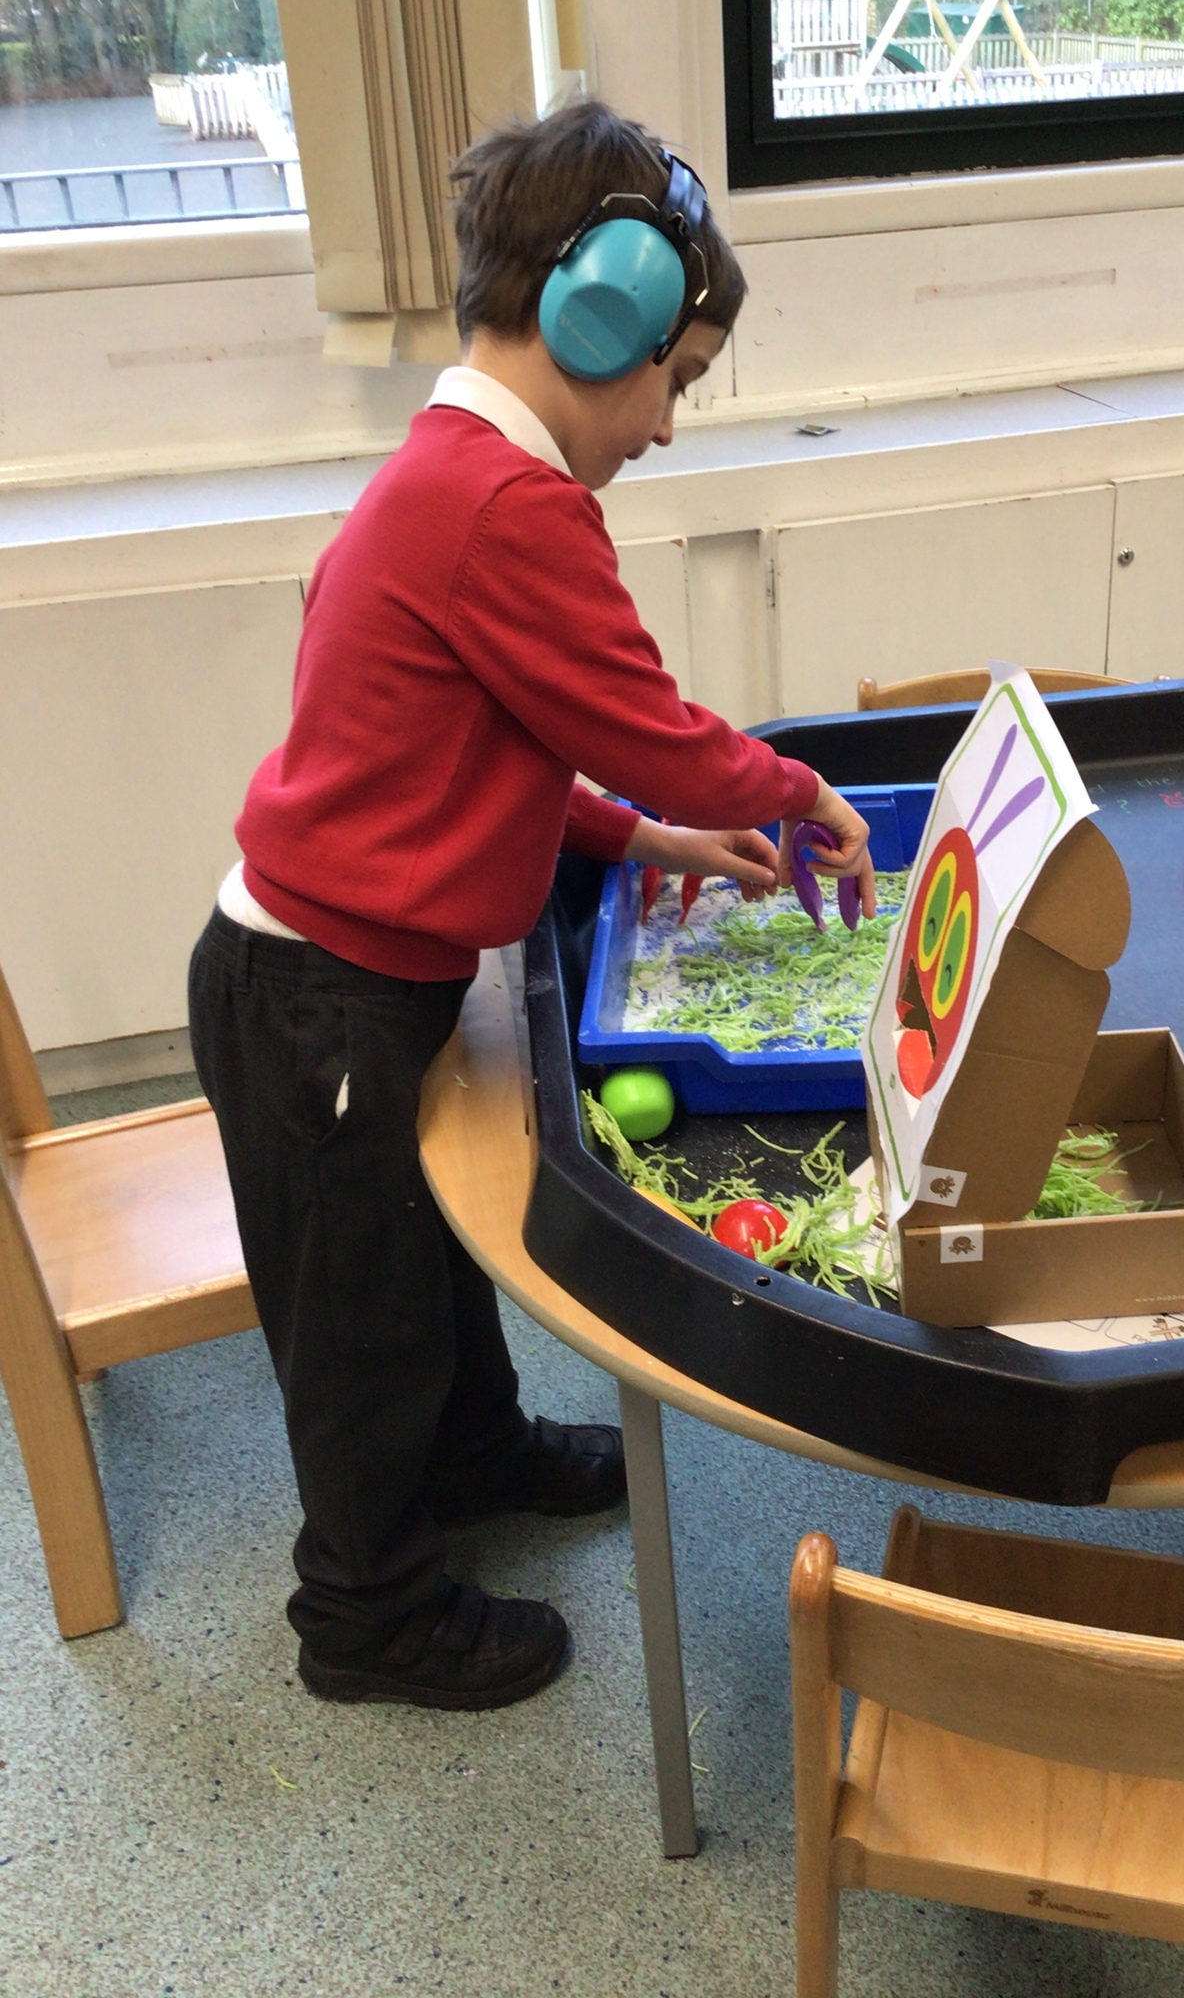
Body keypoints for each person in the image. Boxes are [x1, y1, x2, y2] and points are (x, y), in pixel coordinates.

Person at [187, 101, 875, 1714]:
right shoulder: (512, 507)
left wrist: (647, 843)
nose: (668, 428)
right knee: (358, 1331)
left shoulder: (447, 480)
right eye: (675, 381)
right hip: (319, 1004)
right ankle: (365, 1616)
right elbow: (641, 719)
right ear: (597, 319)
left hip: (343, 987)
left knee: (420, 1267)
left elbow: (492, 748)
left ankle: (477, 1452)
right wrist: (793, 795)